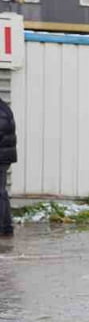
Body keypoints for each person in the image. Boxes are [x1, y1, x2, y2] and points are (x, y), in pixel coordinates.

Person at [0, 93, 15, 236]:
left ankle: (4, 227)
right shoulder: (4, 107)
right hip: (4, 156)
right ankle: (6, 226)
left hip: (2, 157)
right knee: (1, 192)